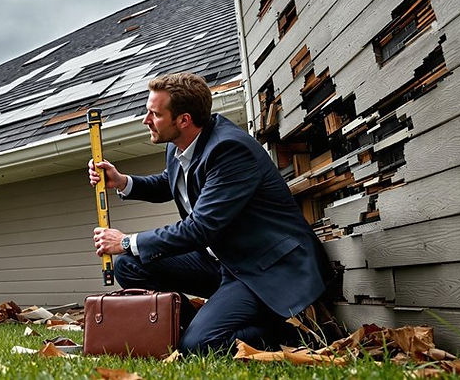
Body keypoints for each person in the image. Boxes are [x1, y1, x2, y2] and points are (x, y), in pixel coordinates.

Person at [89, 72, 329, 354]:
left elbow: (200, 227)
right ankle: (183, 326)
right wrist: (123, 181)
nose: (146, 120)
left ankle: (289, 333)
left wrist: (127, 241)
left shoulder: (230, 150)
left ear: (184, 120)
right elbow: (172, 181)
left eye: (154, 114)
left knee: (200, 344)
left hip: (264, 269)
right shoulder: (181, 144)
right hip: (224, 262)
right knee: (129, 264)